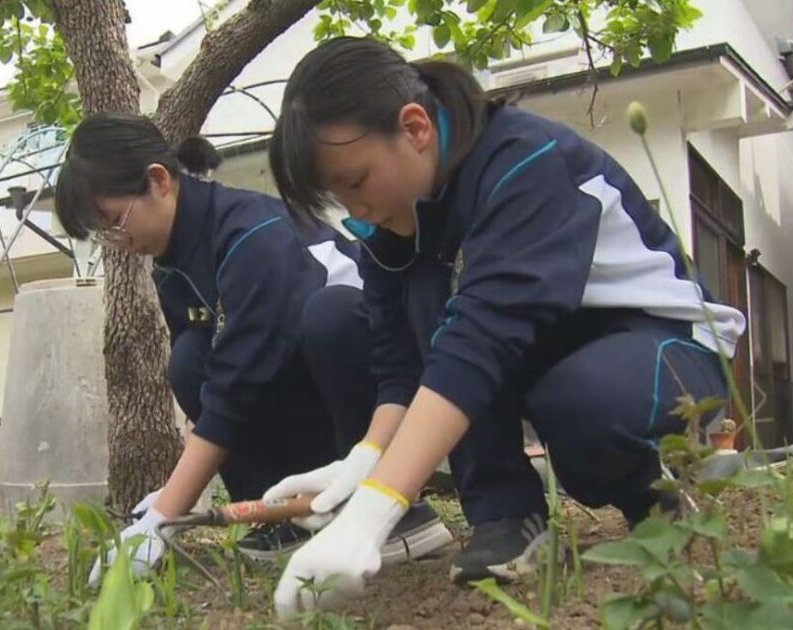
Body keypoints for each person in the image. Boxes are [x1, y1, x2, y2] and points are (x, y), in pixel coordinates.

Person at [264, 37, 746, 615]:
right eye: (338, 197)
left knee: (580, 404)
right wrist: (365, 459)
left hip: (663, 343)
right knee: (386, 310)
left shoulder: (525, 160)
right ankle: (506, 515)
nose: (355, 209)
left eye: (357, 182)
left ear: (415, 128)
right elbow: (401, 363)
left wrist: (373, 512)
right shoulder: (395, 220)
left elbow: (482, 339)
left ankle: (653, 487)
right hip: (541, 352)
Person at [51, 112, 452, 586]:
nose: (118, 243)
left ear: (158, 181)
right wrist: (175, 491)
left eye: (114, 223)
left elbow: (236, 385)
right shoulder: (173, 265)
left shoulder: (254, 235)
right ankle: (287, 514)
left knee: (330, 316)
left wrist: (163, 515)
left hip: (383, 397)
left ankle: (395, 509)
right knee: (190, 360)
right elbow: (216, 387)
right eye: (104, 236)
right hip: (302, 394)